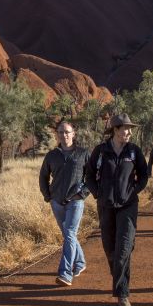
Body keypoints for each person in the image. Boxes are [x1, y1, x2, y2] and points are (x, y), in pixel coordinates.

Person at [85, 113, 149, 306]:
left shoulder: (134, 151)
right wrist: (97, 194)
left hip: (128, 206)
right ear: (114, 130)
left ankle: (122, 293)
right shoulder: (101, 151)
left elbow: (144, 175)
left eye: (130, 129)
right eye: (124, 129)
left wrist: (133, 192)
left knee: (123, 249)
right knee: (110, 249)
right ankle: (119, 277)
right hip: (105, 206)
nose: (128, 132)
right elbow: (88, 176)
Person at [39, 121, 90, 286]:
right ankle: (80, 262)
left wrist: (82, 194)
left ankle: (65, 273)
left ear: (73, 133)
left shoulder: (83, 153)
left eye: (67, 132)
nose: (64, 135)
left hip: (75, 201)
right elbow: (43, 177)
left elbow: (93, 177)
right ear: (57, 134)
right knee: (69, 236)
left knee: (69, 234)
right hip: (57, 201)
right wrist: (48, 196)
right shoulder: (52, 155)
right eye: (61, 132)